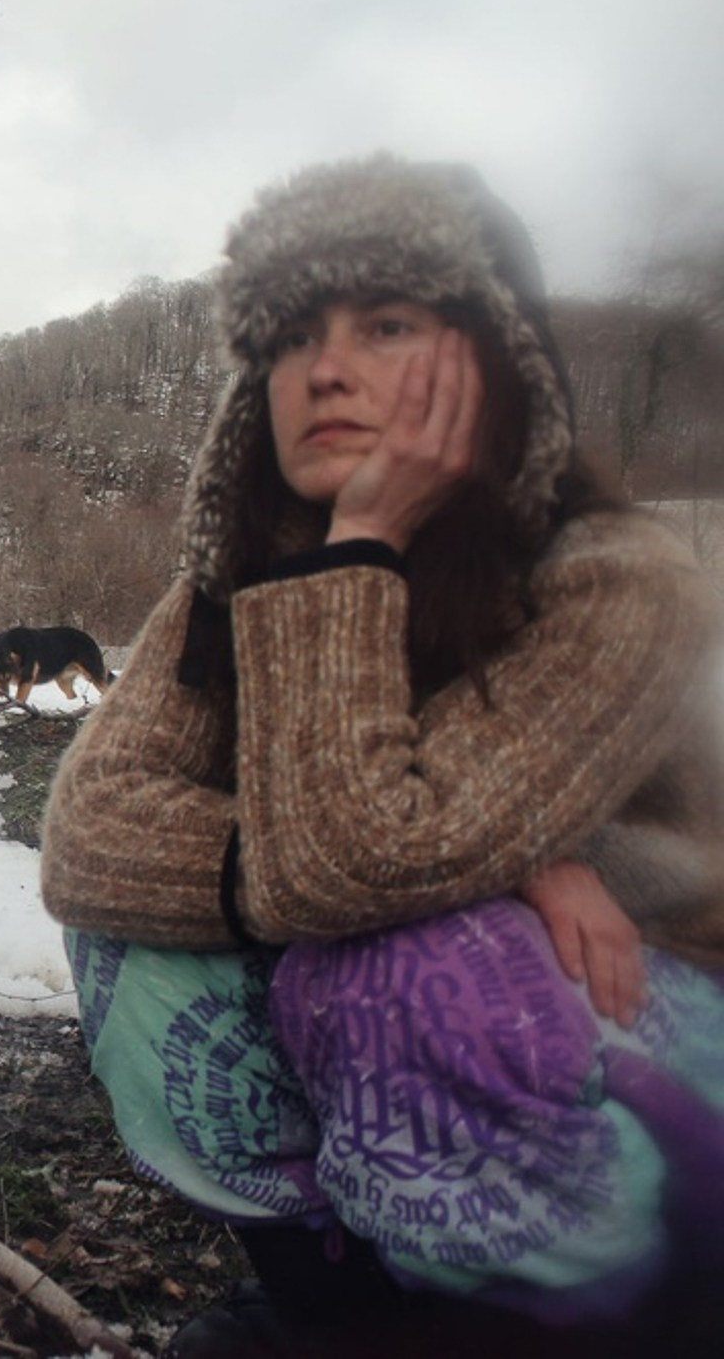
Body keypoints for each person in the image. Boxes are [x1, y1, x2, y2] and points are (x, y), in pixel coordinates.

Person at [38, 154, 724, 1358]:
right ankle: (340, 1307)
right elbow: (90, 835)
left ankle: (583, 1322)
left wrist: (357, 543)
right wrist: (493, 860)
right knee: (131, 947)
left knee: (398, 961)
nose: (326, 368)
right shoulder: (230, 582)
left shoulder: (616, 577)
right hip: (427, 989)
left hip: (657, 1052)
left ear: (499, 361)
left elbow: (361, 862)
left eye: (387, 323)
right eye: (292, 335)